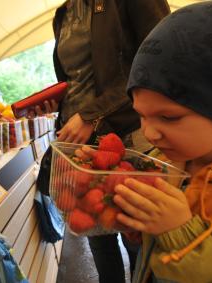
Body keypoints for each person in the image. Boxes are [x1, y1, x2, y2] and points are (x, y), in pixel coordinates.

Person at [110, 0, 212, 282]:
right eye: (141, 115)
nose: (149, 133)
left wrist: (181, 236)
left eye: (169, 117)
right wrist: (146, 228)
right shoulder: (166, 165)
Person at [51, 1, 170, 282]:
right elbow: (77, 79)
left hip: (128, 132)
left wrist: (91, 114)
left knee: (135, 231)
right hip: (83, 143)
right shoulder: (63, 13)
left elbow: (158, 58)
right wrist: (55, 102)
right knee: (97, 233)